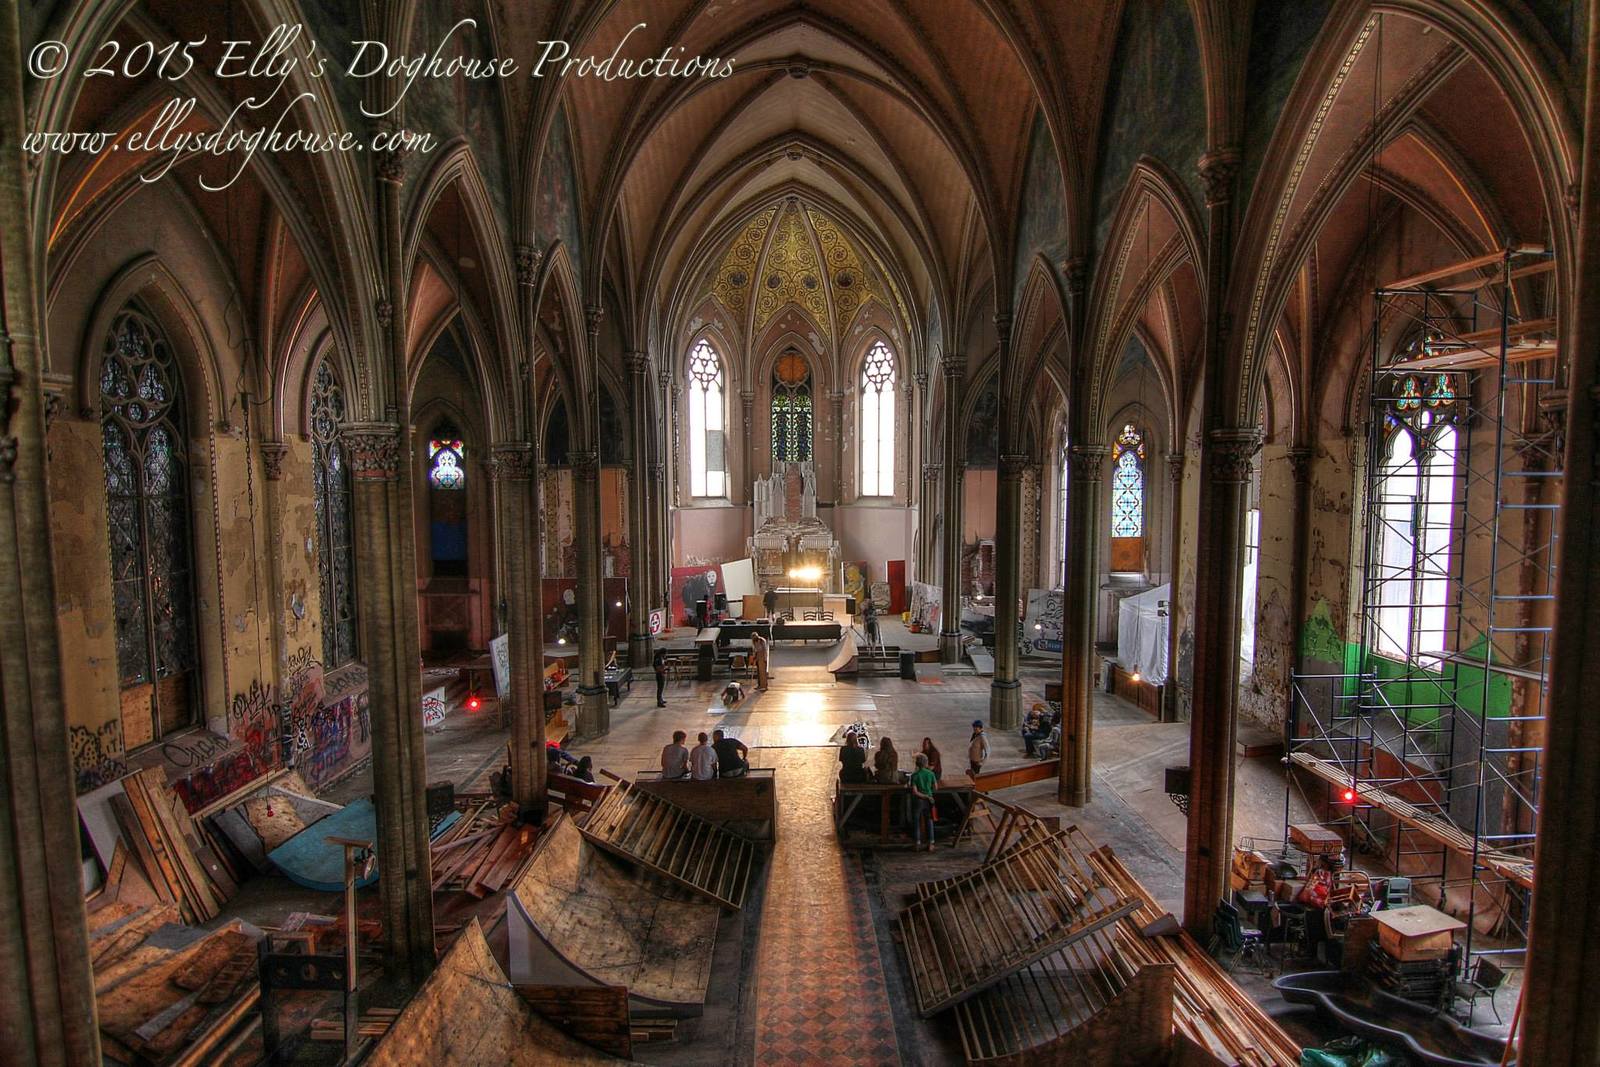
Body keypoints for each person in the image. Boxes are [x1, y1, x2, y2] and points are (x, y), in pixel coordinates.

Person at [908, 753, 938, 851]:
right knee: (929, 821)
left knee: (916, 821)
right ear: (926, 763)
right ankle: (931, 843)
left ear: (917, 763)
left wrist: (923, 795)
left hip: (918, 801)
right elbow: (935, 787)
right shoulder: (931, 774)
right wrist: (928, 794)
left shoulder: (914, 775)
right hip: (929, 799)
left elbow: (915, 792)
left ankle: (917, 843)